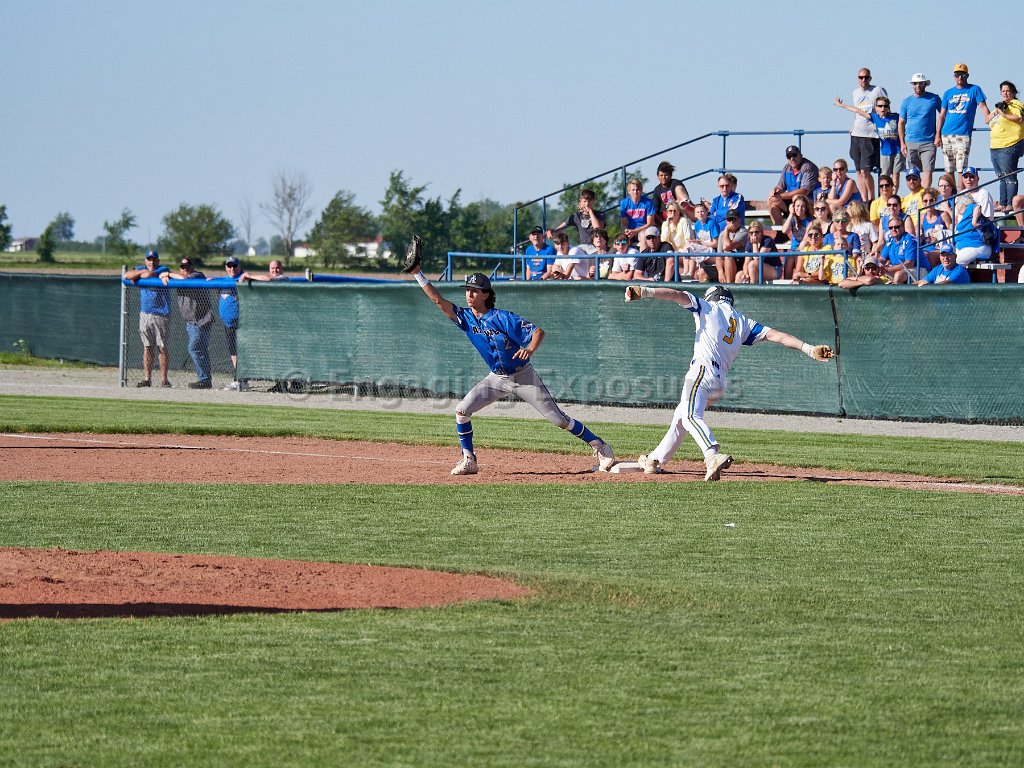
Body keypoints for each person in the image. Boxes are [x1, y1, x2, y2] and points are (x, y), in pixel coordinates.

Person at [403, 247, 616, 476]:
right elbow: (437, 300)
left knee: (559, 420)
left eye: (474, 291)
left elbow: (538, 332)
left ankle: (600, 445)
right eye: (467, 290)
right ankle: (469, 460)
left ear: (486, 294)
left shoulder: (503, 318)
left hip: (523, 376)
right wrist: (417, 273)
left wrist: (529, 349)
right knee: (462, 411)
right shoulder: (465, 318)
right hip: (497, 378)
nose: (469, 294)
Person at [623, 284, 833, 480]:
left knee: (689, 416)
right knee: (681, 416)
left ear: (712, 297)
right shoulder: (742, 321)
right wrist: (808, 348)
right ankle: (655, 460)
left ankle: (711, 455)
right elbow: (776, 335)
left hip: (702, 371)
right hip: (719, 381)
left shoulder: (708, 307)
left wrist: (645, 291)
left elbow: (676, 295)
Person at [160, 258, 214, 389]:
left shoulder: (197, 275)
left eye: (188, 266)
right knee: (200, 349)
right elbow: (164, 276)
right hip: (190, 322)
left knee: (194, 348)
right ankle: (205, 380)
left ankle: (204, 380)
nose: (185, 269)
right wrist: (164, 276)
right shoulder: (178, 278)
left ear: (192, 266)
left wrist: (168, 274)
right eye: (183, 267)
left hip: (201, 320)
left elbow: (185, 279)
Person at [124, 250, 171, 388]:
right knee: (147, 347)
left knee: (162, 347)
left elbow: (149, 274)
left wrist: (140, 275)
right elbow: (127, 275)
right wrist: (141, 272)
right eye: (149, 259)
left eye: (154, 259)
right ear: (145, 261)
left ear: (158, 261)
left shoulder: (163, 269)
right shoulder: (141, 268)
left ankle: (164, 380)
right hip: (145, 313)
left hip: (161, 313)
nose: (152, 262)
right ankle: (147, 379)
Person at [835, 94, 903, 191]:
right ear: (876, 108)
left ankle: (894, 195)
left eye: (885, 106)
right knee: (885, 176)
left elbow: (907, 121)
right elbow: (858, 111)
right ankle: (886, 196)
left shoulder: (895, 117)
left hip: (898, 150)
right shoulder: (875, 117)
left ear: (888, 107)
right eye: (880, 106)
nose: (883, 108)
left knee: (896, 175)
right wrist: (842, 105)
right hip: (885, 151)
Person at [938, 64, 990, 189]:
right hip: (946, 134)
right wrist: (937, 135)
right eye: (957, 75)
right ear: (954, 76)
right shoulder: (948, 93)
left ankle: (961, 195)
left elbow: (983, 106)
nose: (960, 77)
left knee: (961, 168)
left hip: (963, 134)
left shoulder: (974, 89)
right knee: (949, 169)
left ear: (967, 75)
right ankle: (951, 196)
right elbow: (942, 116)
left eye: (962, 75)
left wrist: (989, 119)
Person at [842, 67, 888, 201]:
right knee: (858, 171)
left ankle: (871, 199)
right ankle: (864, 199)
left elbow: (885, 108)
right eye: (861, 77)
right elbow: (857, 112)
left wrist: (884, 125)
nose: (863, 80)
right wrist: (853, 125)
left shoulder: (877, 90)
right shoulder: (855, 93)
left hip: (870, 135)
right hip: (856, 134)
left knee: (865, 171)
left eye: (866, 77)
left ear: (870, 78)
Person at [899, 73, 942, 188]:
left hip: (929, 142)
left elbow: (943, 116)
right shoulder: (906, 101)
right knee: (913, 174)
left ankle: (925, 196)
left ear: (925, 84)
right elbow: (901, 122)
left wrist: (938, 135)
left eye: (920, 83)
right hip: (910, 142)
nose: (917, 85)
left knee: (928, 171)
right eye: (915, 83)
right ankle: (916, 196)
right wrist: (902, 143)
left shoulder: (934, 99)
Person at [988, 81, 1024, 209]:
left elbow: (1019, 118)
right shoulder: (1001, 106)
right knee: (1001, 177)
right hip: (995, 146)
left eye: (1008, 91)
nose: (1005, 93)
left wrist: (1003, 114)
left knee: (1009, 177)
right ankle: (1003, 203)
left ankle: (1010, 204)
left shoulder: (1016, 105)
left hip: (1009, 144)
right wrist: (996, 111)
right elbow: (987, 119)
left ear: (1013, 92)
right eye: (1003, 91)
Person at [215, 256, 248, 391]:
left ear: (239, 266)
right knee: (233, 353)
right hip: (228, 323)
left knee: (241, 352)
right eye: (229, 266)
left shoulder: (243, 278)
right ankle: (239, 379)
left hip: (241, 323)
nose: (232, 268)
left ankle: (241, 379)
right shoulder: (223, 281)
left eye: (234, 266)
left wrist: (246, 277)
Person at [768, 145, 818, 225]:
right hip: (792, 201)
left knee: (797, 198)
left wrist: (780, 196)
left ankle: (799, 226)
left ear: (800, 155)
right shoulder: (786, 168)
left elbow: (804, 191)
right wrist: (774, 191)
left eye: (794, 155)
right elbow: (780, 187)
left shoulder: (808, 167)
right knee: (771, 200)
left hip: (808, 202)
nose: (792, 158)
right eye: (789, 156)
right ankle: (779, 231)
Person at [680, 202, 718, 280]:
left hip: (711, 249)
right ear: (695, 214)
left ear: (706, 212)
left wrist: (701, 243)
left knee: (690, 249)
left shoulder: (711, 223)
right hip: (702, 248)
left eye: (702, 211)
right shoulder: (697, 224)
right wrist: (695, 242)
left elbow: (716, 243)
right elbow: (699, 240)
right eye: (698, 212)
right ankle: (686, 272)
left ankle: (690, 273)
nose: (700, 214)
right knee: (687, 247)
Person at [952, 192, 992, 266]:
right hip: (966, 248)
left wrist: (974, 222)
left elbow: (977, 207)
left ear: (962, 203)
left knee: (952, 264)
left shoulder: (970, 207)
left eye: (956, 204)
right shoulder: (965, 216)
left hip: (976, 247)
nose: (955, 207)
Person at [917, 187, 953, 267]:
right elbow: (918, 238)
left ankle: (933, 274)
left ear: (935, 201)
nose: (928, 203)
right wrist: (922, 236)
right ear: (922, 202)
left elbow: (951, 233)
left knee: (930, 256)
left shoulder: (943, 215)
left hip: (940, 248)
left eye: (931, 200)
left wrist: (939, 237)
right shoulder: (921, 217)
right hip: (926, 248)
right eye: (925, 201)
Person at [823, 211, 861, 284]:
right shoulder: (828, 237)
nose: (840, 223)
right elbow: (825, 254)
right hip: (831, 267)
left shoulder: (854, 236)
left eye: (843, 221)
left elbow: (855, 254)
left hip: (848, 265)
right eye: (837, 221)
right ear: (834, 222)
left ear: (847, 222)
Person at [879, 218, 922, 283]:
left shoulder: (910, 240)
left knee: (898, 275)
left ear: (903, 228)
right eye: (890, 228)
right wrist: (880, 265)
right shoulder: (890, 241)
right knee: (874, 274)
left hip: (918, 269)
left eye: (896, 227)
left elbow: (909, 264)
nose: (893, 229)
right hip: (898, 269)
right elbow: (882, 259)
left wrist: (888, 269)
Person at [619, 178, 656, 244]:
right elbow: (623, 223)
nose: (635, 192)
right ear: (629, 191)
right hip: (631, 230)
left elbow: (650, 223)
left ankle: (643, 251)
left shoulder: (648, 203)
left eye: (637, 190)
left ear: (641, 191)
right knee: (621, 240)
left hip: (644, 229)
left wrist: (635, 231)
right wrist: (626, 231)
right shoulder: (624, 203)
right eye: (633, 190)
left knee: (643, 236)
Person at [715, 209, 747, 284]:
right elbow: (719, 256)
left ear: (739, 220)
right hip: (726, 263)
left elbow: (727, 247)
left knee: (728, 256)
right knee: (703, 272)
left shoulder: (743, 232)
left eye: (734, 219)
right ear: (726, 221)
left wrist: (726, 230)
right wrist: (720, 272)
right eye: (729, 220)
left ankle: (729, 286)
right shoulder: (722, 234)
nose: (731, 222)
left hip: (740, 263)